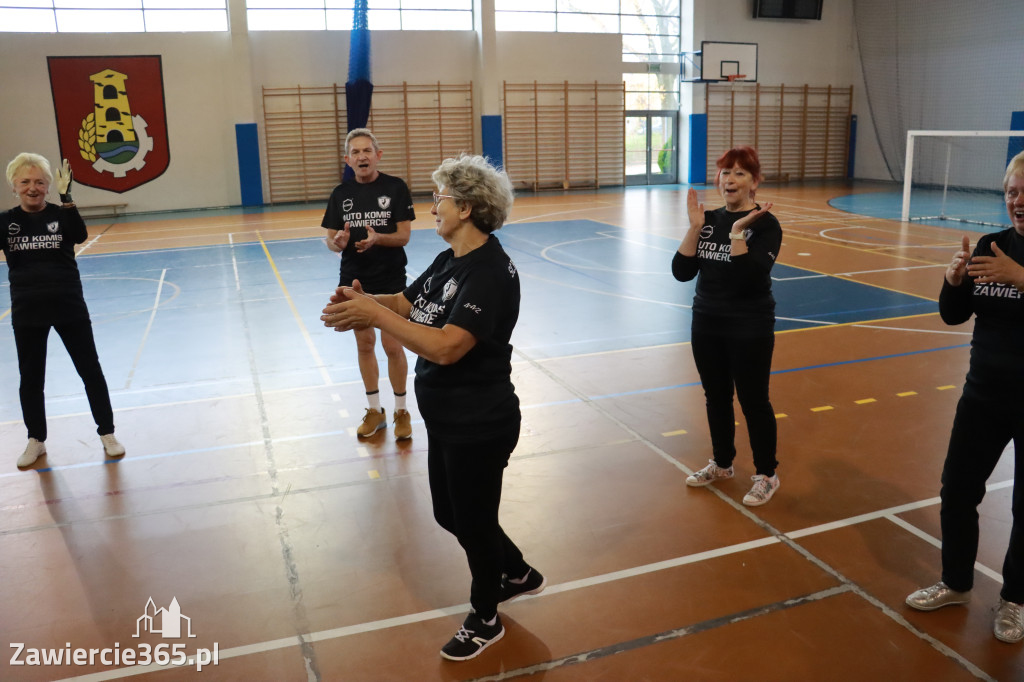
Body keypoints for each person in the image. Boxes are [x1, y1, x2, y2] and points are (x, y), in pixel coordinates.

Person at [320, 154, 544, 661]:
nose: (431, 208)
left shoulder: (488, 272)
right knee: (452, 513)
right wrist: (365, 299)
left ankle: (486, 616)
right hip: (446, 417)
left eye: (439, 198)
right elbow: (405, 303)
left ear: (465, 207)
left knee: (474, 520)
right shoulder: (451, 260)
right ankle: (518, 572)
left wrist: (373, 314)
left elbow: (446, 346)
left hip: (480, 422)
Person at [905, 150, 1024, 643]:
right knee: (957, 491)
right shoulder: (991, 245)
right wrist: (953, 282)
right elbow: (953, 316)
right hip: (983, 398)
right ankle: (955, 582)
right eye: (1012, 191)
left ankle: (1014, 599)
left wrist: (1022, 279)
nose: (1018, 201)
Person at [671, 145, 783, 506]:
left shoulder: (766, 225)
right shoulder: (709, 220)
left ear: (754, 183)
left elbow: (748, 278)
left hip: (750, 325)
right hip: (706, 322)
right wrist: (694, 228)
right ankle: (721, 464)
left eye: (739, 173)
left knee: (753, 401)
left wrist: (737, 233)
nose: (729, 179)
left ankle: (767, 474)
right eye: (725, 171)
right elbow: (681, 271)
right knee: (716, 397)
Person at [2, 153, 125, 468]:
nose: (33, 187)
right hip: (28, 311)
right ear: (13, 186)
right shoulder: (5, 222)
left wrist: (67, 197)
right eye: (25, 182)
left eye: (40, 182)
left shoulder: (61, 214)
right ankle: (36, 440)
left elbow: (81, 235)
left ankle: (107, 433)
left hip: (69, 306)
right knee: (31, 378)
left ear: (48, 186)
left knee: (90, 371)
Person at [322, 128, 415, 440]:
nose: (362, 156)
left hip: (390, 280)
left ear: (378, 155)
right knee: (364, 344)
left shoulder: (396, 188)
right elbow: (331, 242)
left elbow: (404, 235)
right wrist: (338, 241)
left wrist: (379, 239)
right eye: (355, 152)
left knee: (393, 344)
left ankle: (402, 410)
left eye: (367, 151)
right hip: (354, 280)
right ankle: (375, 410)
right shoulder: (340, 195)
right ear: (347, 160)